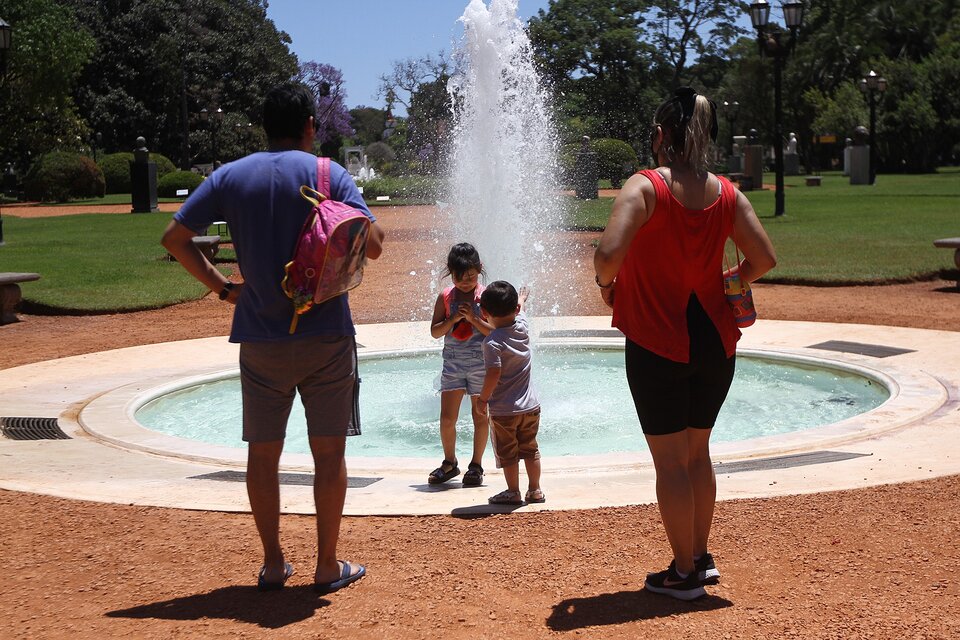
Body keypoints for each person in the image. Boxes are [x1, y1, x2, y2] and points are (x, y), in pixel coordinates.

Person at [161, 82, 385, 594]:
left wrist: (222, 288)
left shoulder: (229, 177)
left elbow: (175, 238)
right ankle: (327, 564)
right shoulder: (330, 174)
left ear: (265, 125)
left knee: (263, 454)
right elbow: (372, 248)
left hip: (260, 335)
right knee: (329, 454)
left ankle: (272, 563)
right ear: (310, 125)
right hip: (327, 332)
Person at [594, 87, 776, 601]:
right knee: (697, 455)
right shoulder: (727, 192)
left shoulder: (645, 187)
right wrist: (730, 280)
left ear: (661, 135)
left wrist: (609, 284)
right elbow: (762, 260)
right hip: (715, 339)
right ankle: (700, 557)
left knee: (670, 463)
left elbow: (607, 255)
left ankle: (683, 574)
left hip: (657, 338)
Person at [427, 243, 493, 487]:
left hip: (480, 364)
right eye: (459, 278)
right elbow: (435, 332)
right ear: (450, 272)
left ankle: (476, 465)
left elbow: (494, 332)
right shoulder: (445, 297)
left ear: (479, 271)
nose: (465, 283)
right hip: (453, 364)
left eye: (471, 277)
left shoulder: (486, 297)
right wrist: (453, 319)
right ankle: (450, 462)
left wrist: (475, 320)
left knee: (480, 415)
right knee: (447, 418)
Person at [477, 281, 543, 506]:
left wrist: (483, 398)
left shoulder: (492, 342)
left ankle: (513, 491)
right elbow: (521, 311)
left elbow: (493, 373)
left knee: (508, 453)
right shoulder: (523, 326)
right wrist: (522, 299)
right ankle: (535, 490)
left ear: (484, 313)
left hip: (505, 410)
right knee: (530, 449)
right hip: (531, 407)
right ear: (514, 308)